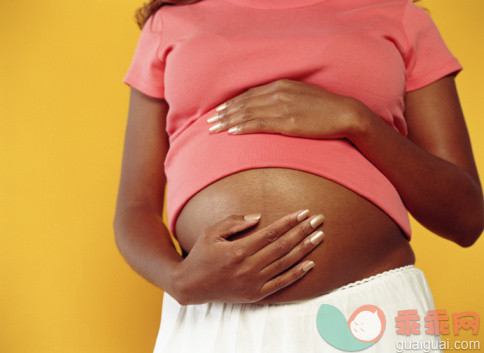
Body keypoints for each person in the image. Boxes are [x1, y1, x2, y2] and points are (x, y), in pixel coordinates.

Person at [113, 0, 483, 352]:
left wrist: (357, 120)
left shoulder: (398, 15)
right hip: (212, 318)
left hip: (366, 315)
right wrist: (179, 281)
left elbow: (466, 218)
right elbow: (135, 206)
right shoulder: (169, 24)